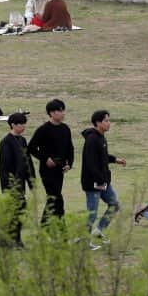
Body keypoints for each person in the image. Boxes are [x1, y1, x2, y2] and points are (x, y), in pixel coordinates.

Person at [81, 110, 125, 247]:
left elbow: (103, 157)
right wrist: (99, 181)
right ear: (98, 123)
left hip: (103, 181)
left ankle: (98, 230)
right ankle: (84, 240)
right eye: (106, 120)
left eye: (109, 120)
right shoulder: (92, 139)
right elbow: (90, 163)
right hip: (93, 182)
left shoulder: (101, 137)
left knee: (115, 204)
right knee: (92, 213)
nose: (109, 123)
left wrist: (115, 160)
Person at [28, 99, 74, 222]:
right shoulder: (43, 129)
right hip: (47, 170)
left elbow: (70, 148)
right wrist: (45, 158)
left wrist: (69, 164)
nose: (63, 113)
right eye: (60, 110)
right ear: (52, 113)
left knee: (53, 199)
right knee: (56, 198)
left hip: (60, 170)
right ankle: (59, 226)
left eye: (63, 110)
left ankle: (47, 227)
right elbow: (31, 148)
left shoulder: (65, 129)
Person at [0, 112, 35, 246]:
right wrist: (9, 185)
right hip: (11, 184)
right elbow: (3, 166)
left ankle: (15, 239)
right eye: (20, 124)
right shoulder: (6, 142)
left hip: (21, 183)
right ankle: (9, 240)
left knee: (20, 211)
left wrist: (31, 181)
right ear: (13, 125)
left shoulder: (22, 140)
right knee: (13, 212)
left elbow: (27, 162)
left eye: (24, 124)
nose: (23, 126)